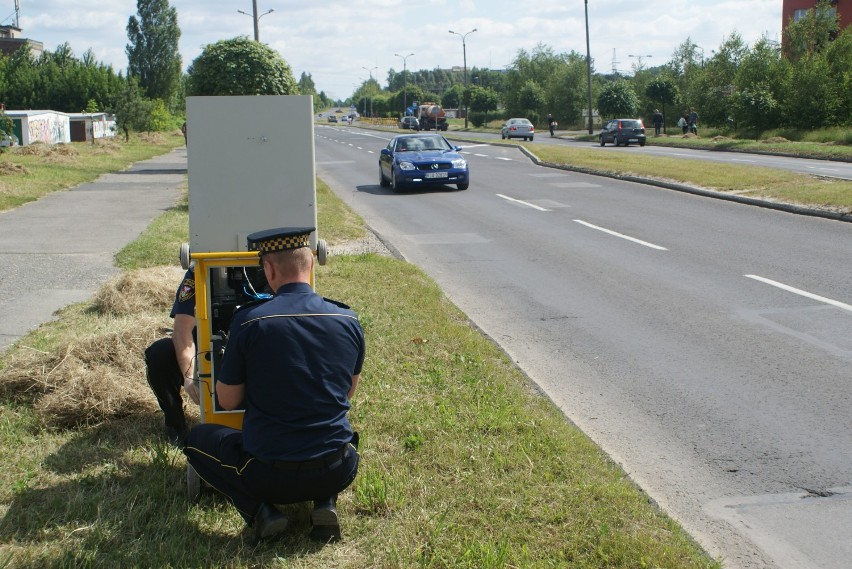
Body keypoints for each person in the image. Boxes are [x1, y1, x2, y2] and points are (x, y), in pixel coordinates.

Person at [184, 227, 364, 544]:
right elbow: (347, 391)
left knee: (196, 439)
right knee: (348, 437)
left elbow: (226, 401)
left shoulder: (249, 321)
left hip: (270, 475)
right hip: (336, 468)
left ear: (268, 269)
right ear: (312, 264)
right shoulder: (348, 319)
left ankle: (262, 512)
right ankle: (325, 502)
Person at [144, 269, 200, 446]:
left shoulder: (268, 264)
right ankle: (175, 424)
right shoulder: (199, 269)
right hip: (208, 343)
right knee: (160, 354)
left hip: (253, 343)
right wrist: (190, 376)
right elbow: (182, 330)